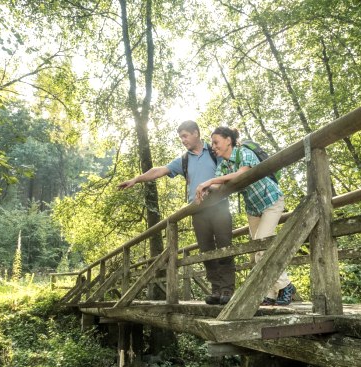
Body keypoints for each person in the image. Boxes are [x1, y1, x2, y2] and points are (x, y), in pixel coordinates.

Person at [117, 120, 235, 305]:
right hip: (197, 210)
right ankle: (216, 290)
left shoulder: (214, 151)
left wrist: (213, 185)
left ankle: (227, 289)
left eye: (185, 136)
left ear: (196, 133)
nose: (183, 140)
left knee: (224, 247)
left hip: (219, 206)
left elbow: (230, 170)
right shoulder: (184, 159)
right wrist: (136, 179)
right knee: (205, 250)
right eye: (180, 137)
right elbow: (159, 170)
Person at [195, 126, 296, 306]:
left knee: (262, 245)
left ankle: (285, 285)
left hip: (271, 201)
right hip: (254, 208)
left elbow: (242, 174)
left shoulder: (244, 153)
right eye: (212, 143)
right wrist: (206, 188)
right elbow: (220, 185)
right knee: (255, 251)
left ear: (228, 140)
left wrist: (210, 180)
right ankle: (271, 294)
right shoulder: (223, 165)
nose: (213, 146)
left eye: (216, 142)